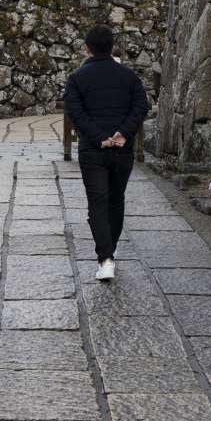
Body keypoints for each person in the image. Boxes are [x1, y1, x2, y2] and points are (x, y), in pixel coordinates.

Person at [62, 24, 148, 281]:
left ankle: (105, 258)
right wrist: (122, 133)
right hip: (122, 150)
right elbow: (141, 106)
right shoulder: (129, 77)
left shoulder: (77, 78)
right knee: (116, 200)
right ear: (112, 48)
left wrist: (100, 137)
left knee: (97, 203)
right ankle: (111, 247)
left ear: (87, 48)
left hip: (93, 150)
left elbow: (74, 111)